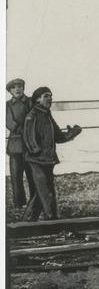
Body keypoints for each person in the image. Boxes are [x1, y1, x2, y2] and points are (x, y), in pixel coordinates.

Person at [22, 87, 82, 220]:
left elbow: (59, 137)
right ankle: (52, 219)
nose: (50, 99)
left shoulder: (47, 115)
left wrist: (73, 133)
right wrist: (35, 150)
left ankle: (28, 220)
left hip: (48, 159)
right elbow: (28, 137)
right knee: (46, 191)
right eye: (46, 96)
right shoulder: (32, 115)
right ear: (37, 99)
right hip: (37, 160)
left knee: (42, 191)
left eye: (50, 96)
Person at [6, 79, 35, 208]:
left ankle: (35, 201)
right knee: (16, 176)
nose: (17, 89)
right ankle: (19, 203)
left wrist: (28, 130)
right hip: (15, 146)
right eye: (13, 88)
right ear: (10, 91)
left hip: (30, 145)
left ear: (23, 88)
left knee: (32, 175)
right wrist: (23, 129)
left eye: (19, 87)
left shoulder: (30, 102)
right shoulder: (6, 105)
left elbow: (34, 119)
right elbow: (9, 123)